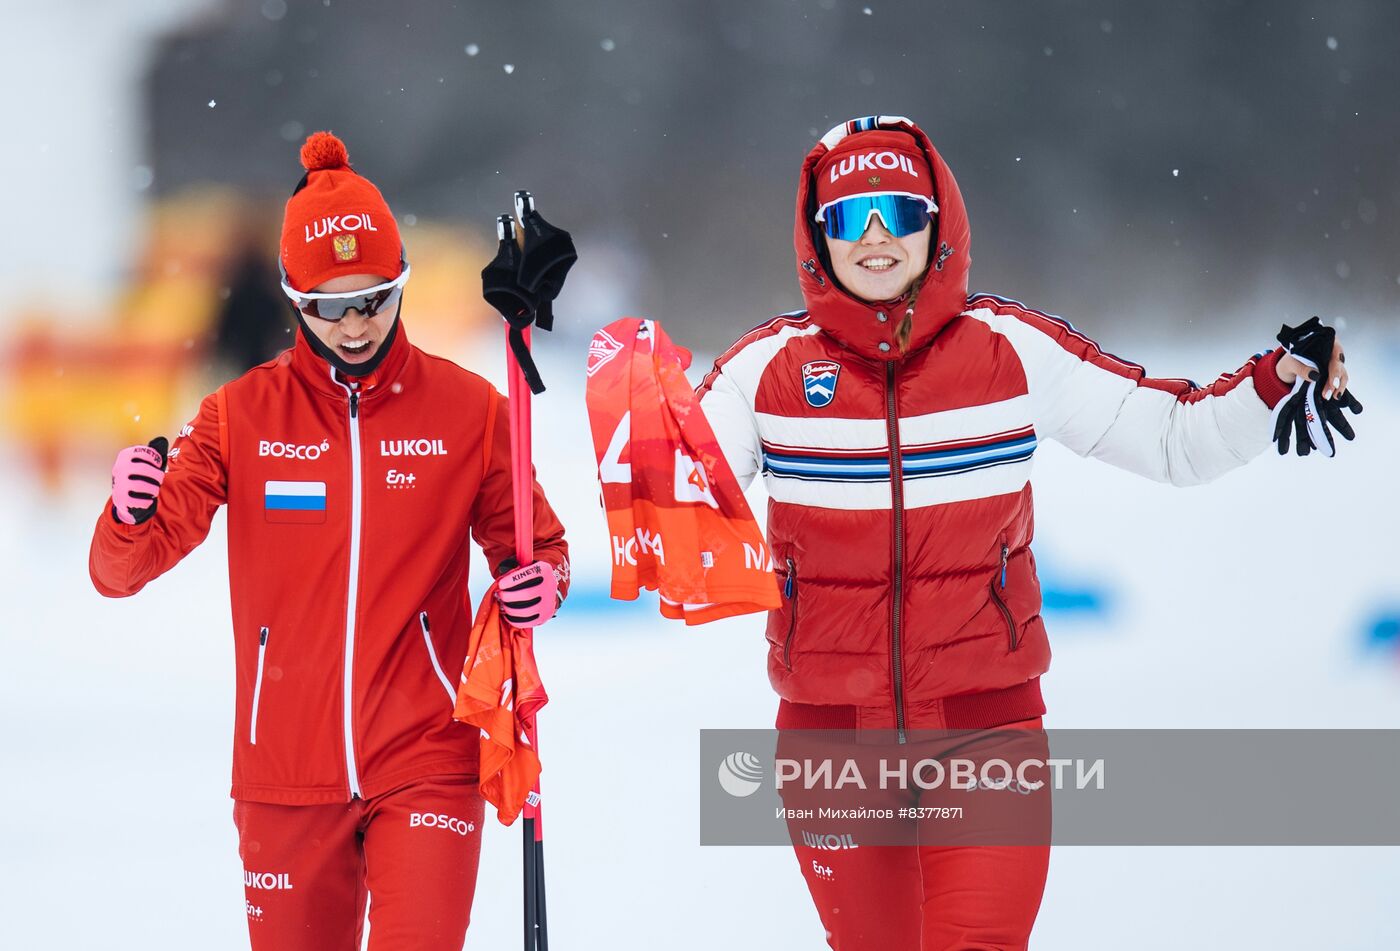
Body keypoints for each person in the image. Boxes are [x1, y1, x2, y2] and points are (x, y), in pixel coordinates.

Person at [696, 115, 1354, 950]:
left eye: (897, 213)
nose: (873, 238)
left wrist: (1276, 380)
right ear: (813, 235)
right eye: (846, 217)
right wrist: (617, 393)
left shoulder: (1009, 350)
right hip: (832, 738)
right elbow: (678, 497)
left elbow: (1170, 436)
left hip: (987, 727)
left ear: (937, 224)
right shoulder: (763, 372)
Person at [89, 131, 571, 951]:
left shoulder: (470, 411)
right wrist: (129, 516)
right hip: (282, 770)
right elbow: (122, 572)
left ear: (403, 285)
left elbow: (538, 549)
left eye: (375, 299)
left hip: (428, 754)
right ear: (291, 299)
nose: (355, 325)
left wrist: (541, 583)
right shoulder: (238, 416)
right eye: (329, 306)